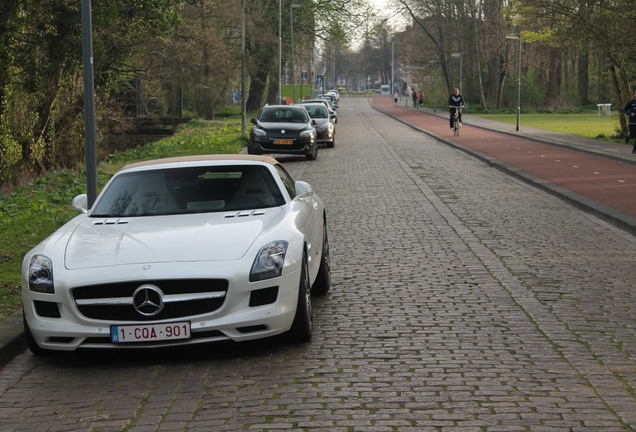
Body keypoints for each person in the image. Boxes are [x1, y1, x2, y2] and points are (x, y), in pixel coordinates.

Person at [623, 89, 636, 154]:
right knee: (633, 136)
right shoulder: (630, 102)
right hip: (632, 122)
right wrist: (630, 114)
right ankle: (628, 136)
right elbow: (624, 110)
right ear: (633, 94)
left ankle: (634, 150)